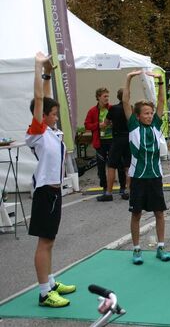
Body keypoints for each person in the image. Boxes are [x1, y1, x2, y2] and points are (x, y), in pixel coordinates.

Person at [26, 52, 76, 308]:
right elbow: (39, 99)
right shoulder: (37, 132)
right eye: (53, 114)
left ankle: (51, 281)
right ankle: (44, 293)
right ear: (42, 116)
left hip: (54, 193)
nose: (56, 117)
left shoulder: (51, 131)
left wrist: (48, 72)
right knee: (44, 242)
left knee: (50, 241)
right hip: (45, 192)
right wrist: (37, 67)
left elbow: (45, 98)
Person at [122, 70, 170, 265]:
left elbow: (161, 103)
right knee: (136, 213)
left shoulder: (156, 126)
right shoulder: (134, 127)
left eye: (151, 113)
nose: (150, 116)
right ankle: (136, 249)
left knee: (159, 213)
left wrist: (160, 82)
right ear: (138, 116)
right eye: (146, 113)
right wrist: (128, 78)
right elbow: (126, 102)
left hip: (155, 176)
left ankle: (161, 247)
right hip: (139, 177)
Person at [85, 87, 126, 200]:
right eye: (104, 96)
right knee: (101, 166)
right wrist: (98, 125)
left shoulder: (112, 108)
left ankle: (123, 187)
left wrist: (113, 124)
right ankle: (105, 188)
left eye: (108, 96)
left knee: (119, 164)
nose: (107, 98)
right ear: (98, 97)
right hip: (100, 142)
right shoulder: (93, 111)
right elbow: (87, 125)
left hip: (113, 140)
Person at [96, 88, 131, 202]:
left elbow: (104, 124)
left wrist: (99, 125)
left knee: (111, 166)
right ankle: (128, 191)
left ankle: (109, 192)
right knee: (128, 166)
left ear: (118, 97)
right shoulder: (131, 108)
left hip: (117, 139)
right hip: (129, 138)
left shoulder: (113, 109)